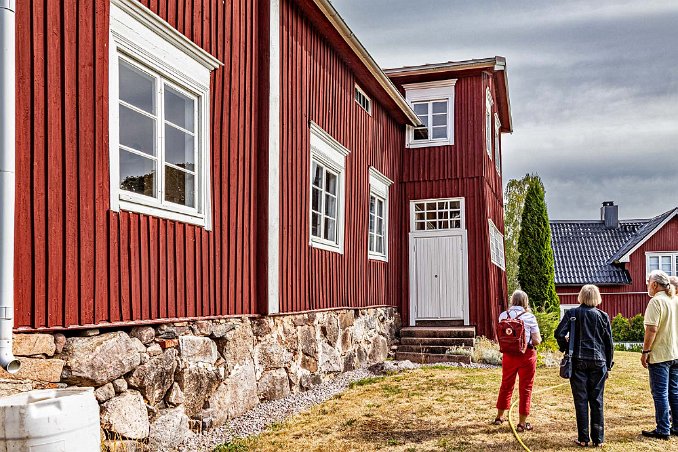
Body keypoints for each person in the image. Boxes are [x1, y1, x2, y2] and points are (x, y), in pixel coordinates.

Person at [555, 284, 613, 448]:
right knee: (597, 400)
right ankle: (598, 439)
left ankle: (583, 438)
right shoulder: (603, 316)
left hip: (578, 361)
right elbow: (609, 343)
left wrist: (565, 347)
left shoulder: (572, 314)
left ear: (581, 296)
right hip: (599, 361)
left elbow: (559, 333)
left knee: (581, 400)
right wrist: (608, 365)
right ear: (597, 297)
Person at [494, 290, 542, 432]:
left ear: (512, 300)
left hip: (508, 355)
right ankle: (522, 423)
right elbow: (537, 340)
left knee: (506, 384)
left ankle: (499, 416)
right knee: (526, 388)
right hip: (526, 355)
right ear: (525, 301)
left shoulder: (503, 315)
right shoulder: (529, 317)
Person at [640, 269, 678, 440]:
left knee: (660, 393)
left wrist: (645, 351)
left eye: (648, 282)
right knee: (674, 392)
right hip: (674, 352)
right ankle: (676, 426)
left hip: (660, 354)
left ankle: (663, 429)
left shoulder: (656, 302)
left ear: (654, 284)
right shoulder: (673, 300)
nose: (647, 285)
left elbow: (651, 329)